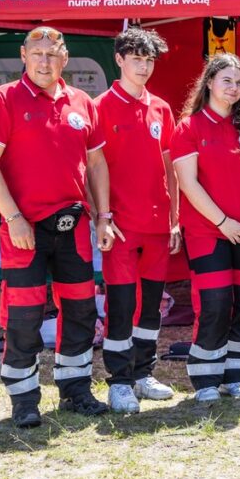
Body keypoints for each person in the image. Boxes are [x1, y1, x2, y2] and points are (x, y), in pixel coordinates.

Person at [0, 26, 116, 427]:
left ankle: (75, 391)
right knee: (24, 317)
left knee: (81, 312)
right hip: (24, 230)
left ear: (65, 58)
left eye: (52, 54)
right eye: (37, 53)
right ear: (23, 55)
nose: (44, 61)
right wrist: (15, 218)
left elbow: (96, 165)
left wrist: (104, 217)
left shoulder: (82, 102)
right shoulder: (4, 98)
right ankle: (24, 400)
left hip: (73, 228)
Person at [170, 53, 240, 406]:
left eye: (239, 82)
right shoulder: (189, 127)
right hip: (207, 232)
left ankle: (235, 375)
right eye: (226, 80)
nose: (233, 87)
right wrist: (222, 222)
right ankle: (205, 376)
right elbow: (188, 183)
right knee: (215, 304)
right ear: (209, 83)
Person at [94, 25, 179, 413]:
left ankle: (144, 373)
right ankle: (119, 382)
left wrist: (175, 219)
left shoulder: (161, 107)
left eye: (149, 60)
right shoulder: (98, 107)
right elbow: (90, 169)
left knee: (150, 308)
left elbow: (170, 168)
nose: (143, 67)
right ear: (119, 60)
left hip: (159, 226)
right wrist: (102, 217)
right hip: (121, 227)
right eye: (136, 59)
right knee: (121, 305)